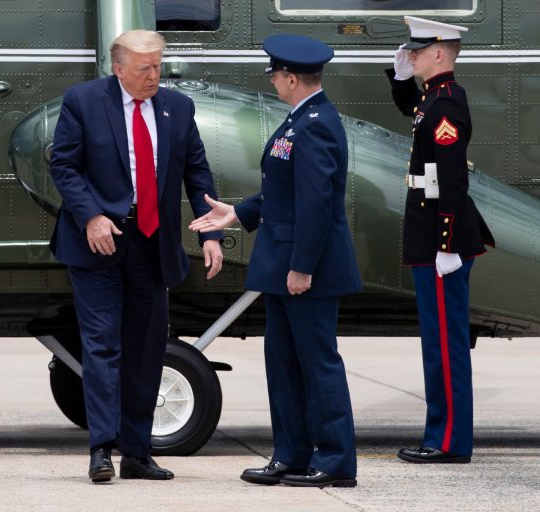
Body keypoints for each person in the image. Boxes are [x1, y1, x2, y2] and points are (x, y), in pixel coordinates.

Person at [49, 29, 223, 483]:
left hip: (152, 243)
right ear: (118, 68)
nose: (153, 75)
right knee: (102, 345)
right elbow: (63, 165)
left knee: (146, 350)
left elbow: (196, 170)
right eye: (144, 68)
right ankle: (101, 449)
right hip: (99, 242)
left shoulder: (177, 107)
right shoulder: (83, 101)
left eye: (158, 66)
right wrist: (90, 216)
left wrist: (210, 232)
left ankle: (138, 452)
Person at [189, 34, 361, 488]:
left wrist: (302, 266)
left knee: (317, 365)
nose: (273, 81)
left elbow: (317, 202)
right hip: (282, 268)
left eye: (275, 74)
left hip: (307, 272)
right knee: (283, 366)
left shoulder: (317, 123)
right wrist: (238, 212)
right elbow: (286, 193)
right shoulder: (299, 121)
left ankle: (335, 460)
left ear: (289, 78)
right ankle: (291, 454)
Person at [385, 16, 495, 464]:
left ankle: (448, 441)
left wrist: (446, 246)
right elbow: (411, 110)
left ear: (438, 54)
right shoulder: (435, 97)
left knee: (445, 345)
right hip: (431, 235)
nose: (410, 55)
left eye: (416, 51)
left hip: (440, 239)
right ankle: (441, 434)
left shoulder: (446, 105)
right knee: (436, 340)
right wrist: (398, 77)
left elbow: (451, 182)